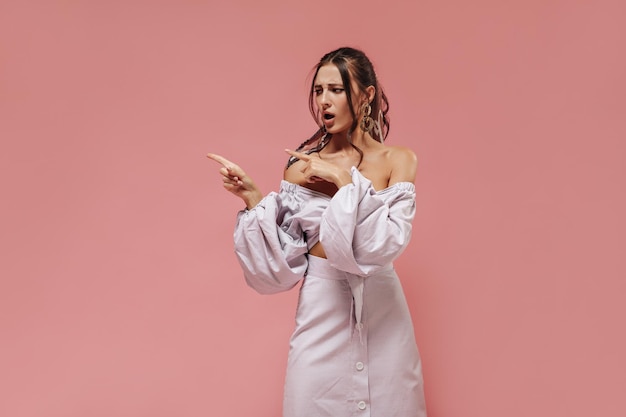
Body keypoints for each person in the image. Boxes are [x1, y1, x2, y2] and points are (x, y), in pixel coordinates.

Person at [207, 47, 427, 417]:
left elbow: (383, 246)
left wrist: (345, 183)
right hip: (321, 307)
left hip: (383, 312)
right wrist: (253, 199)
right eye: (318, 91)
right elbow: (277, 273)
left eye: (337, 90)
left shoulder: (398, 161)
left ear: (366, 95)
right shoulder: (302, 168)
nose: (325, 101)